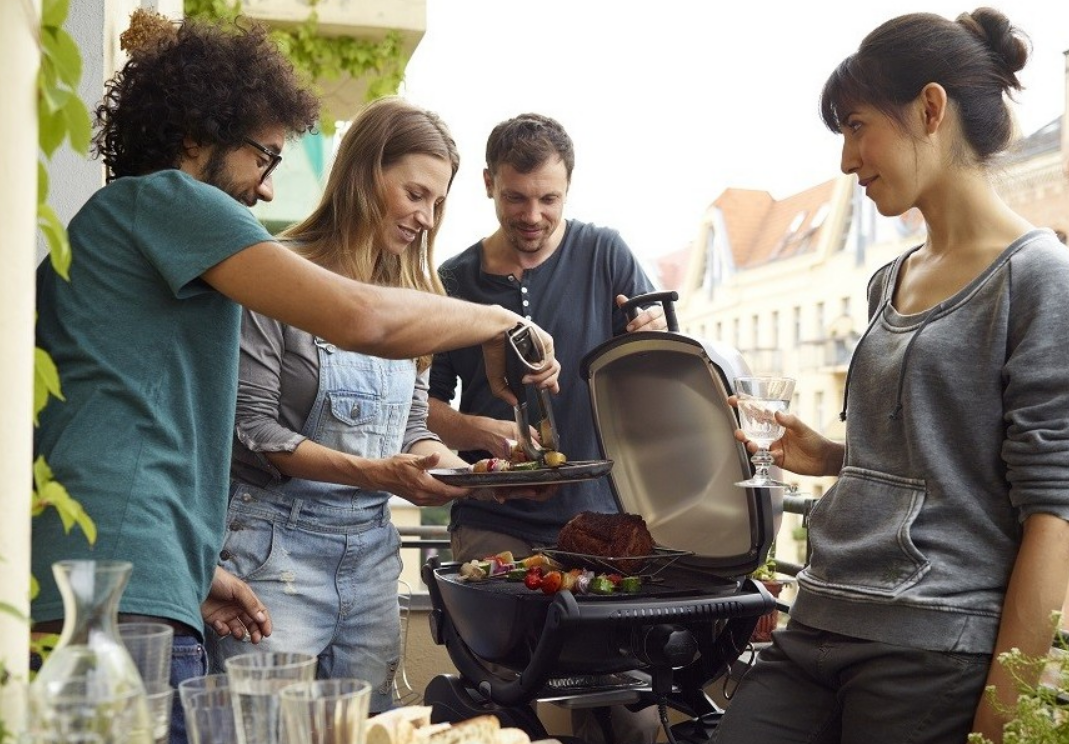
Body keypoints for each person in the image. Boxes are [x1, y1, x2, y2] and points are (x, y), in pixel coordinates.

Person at [30, 13, 557, 744]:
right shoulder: (167, 202)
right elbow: (359, 318)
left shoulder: (132, 227)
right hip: (124, 586)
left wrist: (192, 570)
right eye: (264, 158)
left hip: (145, 573)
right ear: (193, 138)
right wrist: (504, 322)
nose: (268, 191)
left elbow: (136, 408)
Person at [709, 9, 1069, 744]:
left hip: (928, 649)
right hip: (818, 618)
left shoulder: (1039, 276)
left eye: (857, 126)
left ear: (930, 109)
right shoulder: (888, 281)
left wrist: (1001, 718)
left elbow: (1055, 511)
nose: (845, 159)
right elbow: (928, 464)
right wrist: (830, 458)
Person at [208, 96, 545, 713]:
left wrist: (473, 474)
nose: (425, 216)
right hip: (272, 556)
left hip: (371, 561)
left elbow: (414, 428)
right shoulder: (277, 271)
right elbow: (251, 429)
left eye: (438, 203)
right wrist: (376, 474)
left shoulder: (416, 295)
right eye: (415, 194)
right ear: (365, 175)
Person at [426, 113, 665, 744]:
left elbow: (656, 372)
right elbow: (418, 405)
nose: (532, 214)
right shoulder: (453, 280)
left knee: (626, 709)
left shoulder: (606, 252)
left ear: (568, 189)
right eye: (515, 197)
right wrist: (473, 429)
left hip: (600, 524)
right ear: (487, 185)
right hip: (493, 526)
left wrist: (655, 339)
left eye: (548, 199)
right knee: (506, 706)